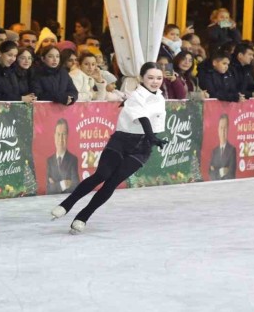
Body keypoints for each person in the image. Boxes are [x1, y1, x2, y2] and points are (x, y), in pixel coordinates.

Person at [50, 62, 168, 234]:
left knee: (112, 183)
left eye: (159, 78)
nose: (155, 81)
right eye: (150, 77)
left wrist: (152, 139)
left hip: (142, 147)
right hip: (122, 142)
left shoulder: (160, 98)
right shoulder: (135, 96)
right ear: (141, 78)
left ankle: (83, 216)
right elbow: (143, 118)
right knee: (102, 175)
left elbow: (156, 123)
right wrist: (151, 136)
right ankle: (66, 204)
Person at [46, 118, 79, 194]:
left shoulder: (73, 160)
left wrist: (55, 185)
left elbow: (75, 187)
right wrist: (64, 184)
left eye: (63, 134)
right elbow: (48, 189)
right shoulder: (49, 161)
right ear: (54, 136)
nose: (60, 139)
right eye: (58, 134)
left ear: (67, 136)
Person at [209, 114, 236, 181]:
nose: (223, 131)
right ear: (218, 130)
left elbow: (231, 175)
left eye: (225, 128)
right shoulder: (214, 152)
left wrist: (216, 171)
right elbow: (210, 174)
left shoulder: (232, 150)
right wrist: (222, 171)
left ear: (228, 129)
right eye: (221, 128)